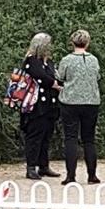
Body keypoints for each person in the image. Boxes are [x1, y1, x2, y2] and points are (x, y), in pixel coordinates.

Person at [57, 29, 101, 185]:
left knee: (71, 138)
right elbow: (97, 77)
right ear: (87, 43)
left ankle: (71, 175)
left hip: (70, 102)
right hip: (91, 102)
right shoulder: (94, 60)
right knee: (89, 139)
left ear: (72, 42)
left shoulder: (67, 60)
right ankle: (92, 175)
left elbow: (60, 77)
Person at [21, 33, 62, 180]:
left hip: (50, 104)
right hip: (36, 105)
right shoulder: (31, 60)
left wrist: (57, 83)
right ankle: (31, 166)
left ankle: (44, 165)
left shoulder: (48, 62)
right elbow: (40, 77)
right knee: (35, 136)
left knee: (46, 136)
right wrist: (54, 84)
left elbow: (55, 76)